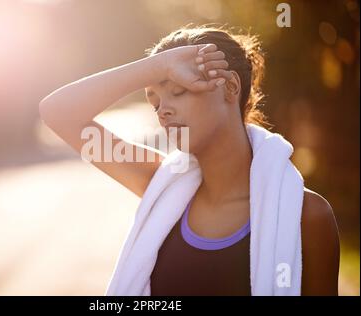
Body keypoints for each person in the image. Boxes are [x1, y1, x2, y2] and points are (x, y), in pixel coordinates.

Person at [39, 24, 340, 295]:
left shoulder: (307, 216)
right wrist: (158, 66)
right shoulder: (160, 185)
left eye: (178, 91)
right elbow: (57, 112)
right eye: (154, 100)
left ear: (231, 88)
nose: (162, 111)